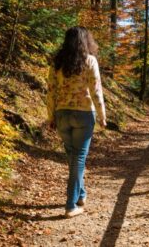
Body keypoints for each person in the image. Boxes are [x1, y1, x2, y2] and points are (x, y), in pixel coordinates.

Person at [46, 26, 107, 218]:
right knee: (78, 159)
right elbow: (96, 90)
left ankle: (81, 195)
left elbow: (51, 91)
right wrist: (102, 115)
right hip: (83, 115)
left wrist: (51, 116)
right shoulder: (90, 61)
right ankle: (71, 205)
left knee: (73, 158)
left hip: (62, 115)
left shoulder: (57, 63)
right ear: (85, 41)